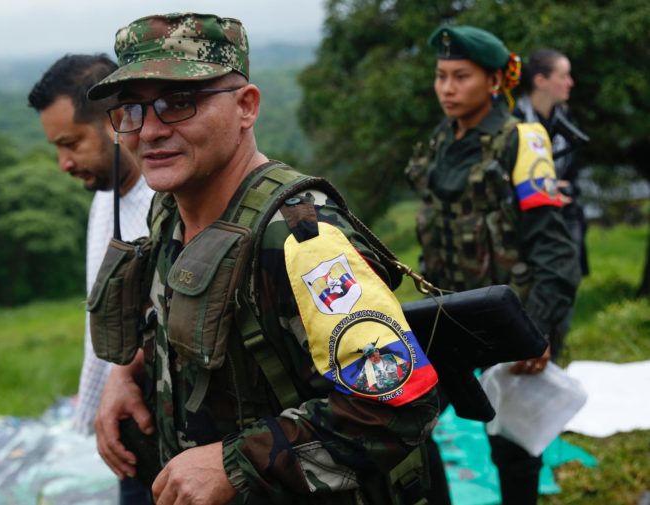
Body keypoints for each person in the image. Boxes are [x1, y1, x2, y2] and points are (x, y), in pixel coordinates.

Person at [89, 12, 440, 505]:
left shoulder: (301, 239)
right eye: (132, 110)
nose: (148, 131)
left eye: (178, 103)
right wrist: (126, 376)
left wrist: (236, 464)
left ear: (246, 107)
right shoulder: (167, 212)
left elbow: (399, 404)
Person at [405, 26, 580, 505]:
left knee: (514, 447)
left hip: (510, 317)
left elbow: (553, 248)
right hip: (448, 313)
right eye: (441, 76)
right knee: (407, 426)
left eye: (461, 76)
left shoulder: (522, 142)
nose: (447, 88)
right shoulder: (440, 143)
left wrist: (537, 329)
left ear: (495, 81)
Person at [27, 54, 154, 504]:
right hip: (125, 437)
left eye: (71, 144)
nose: (63, 163)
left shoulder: (164, 203)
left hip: (164, 439)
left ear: (114, 121)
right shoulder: (106, 193)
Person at [515, 49, 588, 357]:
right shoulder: (514, 122)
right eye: (563, 75)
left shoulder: (564, 119)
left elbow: (574, 169)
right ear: (541, 80)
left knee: (562, 296)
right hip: (529, 230)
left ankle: (555, 354)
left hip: (565, 219)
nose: (570, 83)